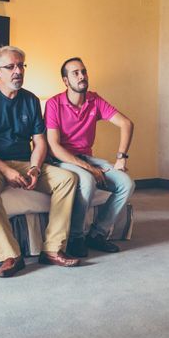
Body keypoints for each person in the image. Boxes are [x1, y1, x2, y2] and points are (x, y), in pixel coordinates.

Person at [0, 46, 80, 278]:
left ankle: (52, 249)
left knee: (68, 179)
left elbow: (39, 142)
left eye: (20, 65)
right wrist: (6, 171)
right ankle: (11, 255)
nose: (18, 71)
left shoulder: (31, 100)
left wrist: (36, 168)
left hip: (24, 163)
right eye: (10, 67)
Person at [45, 57, 134, 257]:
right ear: (65, 81)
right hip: (62, 160)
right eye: (75, 73)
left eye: (84, 71)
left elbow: (126, 124)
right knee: (86, 180)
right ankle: (76, 237)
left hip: (86, 157)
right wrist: (89, 169)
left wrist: (121, 158)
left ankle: (97, 234)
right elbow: (54, 147)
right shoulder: (53, 104)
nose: (82, 76)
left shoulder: (95, 100)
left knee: (126, 183)